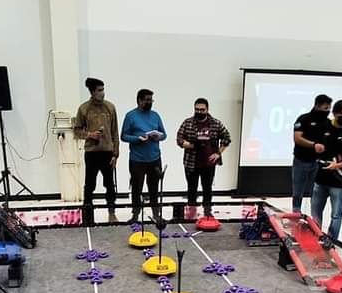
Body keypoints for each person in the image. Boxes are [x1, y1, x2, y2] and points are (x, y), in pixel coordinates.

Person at [310, 100, 342, 241]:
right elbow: (317, 144)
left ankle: (331, 241)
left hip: (340, 181)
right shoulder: (326, 126)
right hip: (321, 178)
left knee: (336, 214)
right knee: (315, 211)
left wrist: (338, 165)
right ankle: (316, 237)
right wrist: (317, 148)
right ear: (335, 113)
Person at [74, 78, 120, 222]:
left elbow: (115, 132)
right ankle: (88, 216)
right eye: (99, 90)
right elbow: (76, 131)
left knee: (110, 185)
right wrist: (90, 135)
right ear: (92, 92)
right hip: (91, 153)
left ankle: (112, 213)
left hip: (107, 152)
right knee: (89, 185)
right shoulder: (84, 109)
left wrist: (116, 154)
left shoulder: (110, 107)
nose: (103, 93)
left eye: (103, 89)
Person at [176, 98, 231, 217]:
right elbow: (179, 139)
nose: (199, 112)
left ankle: (207, 214)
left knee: (207, 189)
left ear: (207, 109)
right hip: (191, 162)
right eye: (197, 109)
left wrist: (218, 153)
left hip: (208, 163)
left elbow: (227, 138)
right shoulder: (188, 123)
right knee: (192, 189)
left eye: (202, 109)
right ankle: (191, 214)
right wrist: (190, 145)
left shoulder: (215, 123)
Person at [121, 89, 167, 222]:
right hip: (137, 160)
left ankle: (156, 215)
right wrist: (137, 138)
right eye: (147, 100)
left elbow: (164, 134)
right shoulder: (130, 116)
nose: (150, 102)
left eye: (151, 100)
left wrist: (158, 136)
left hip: (154, 158)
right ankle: (135, 215)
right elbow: (124, 136)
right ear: (139, 100)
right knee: (136, 189)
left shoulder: (155, 115)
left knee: (154, 188)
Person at [292, 95, 332, 212]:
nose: (328, 111)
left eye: (329, 108)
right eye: (325, 108)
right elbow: (297, 138)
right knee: (298, 191)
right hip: (301, 161)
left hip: (319, 163)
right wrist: (314, 145)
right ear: (317, 106)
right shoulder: (304, 119)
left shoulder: (328, 123)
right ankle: (296, 213)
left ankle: (315, 216)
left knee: (316, 192)